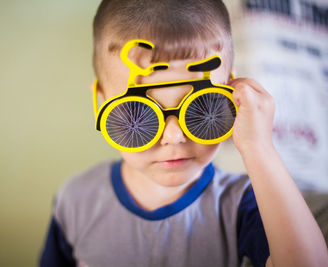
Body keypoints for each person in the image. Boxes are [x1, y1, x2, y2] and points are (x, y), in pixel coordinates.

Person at [40, 0, 328, 266]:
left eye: (202, 106)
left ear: (232, 95)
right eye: (139, 113)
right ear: (101, 104)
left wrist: (259, 147)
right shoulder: (75, 202)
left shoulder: (243, 206)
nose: (174, 136)